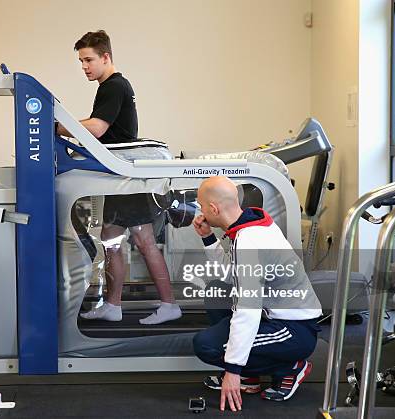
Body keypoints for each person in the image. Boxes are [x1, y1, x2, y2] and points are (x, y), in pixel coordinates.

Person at [56, 30, 181, 325]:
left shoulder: (113, 86)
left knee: (144, 239)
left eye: (89, 60)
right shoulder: (112, 86)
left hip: (126, 178)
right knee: (110, 239)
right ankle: (112, 305)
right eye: (81, 61)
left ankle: (169, 304)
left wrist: (57, 128)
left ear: (106, 57)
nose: (84, 66)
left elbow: (97, 128)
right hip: (116, 177)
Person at [190, 176, 322, 411]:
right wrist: (208, 238)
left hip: (293, 330)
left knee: (207, 346)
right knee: (216, 290)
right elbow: (231, 276)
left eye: (201, 205)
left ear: (213, 208)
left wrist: (232, 369)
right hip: (271, 314)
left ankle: (290, 367)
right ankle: (250, 377)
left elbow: (247, 309)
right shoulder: (248, 225)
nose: (200, 210)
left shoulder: (250, 240)